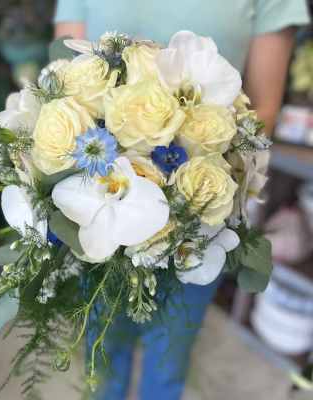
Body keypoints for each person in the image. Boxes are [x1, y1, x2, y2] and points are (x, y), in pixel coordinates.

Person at [54, 1, 310, 399]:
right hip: (99, 202)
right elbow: (62, 80)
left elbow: (264, 111)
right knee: (102, 351)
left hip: (198, 214)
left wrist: (178, 189)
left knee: (169, 358)